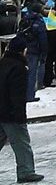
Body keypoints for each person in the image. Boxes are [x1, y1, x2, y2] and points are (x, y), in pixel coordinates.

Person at [0, 36, 44, 183]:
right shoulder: (19, 68)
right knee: (22, 144)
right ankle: (26, 171)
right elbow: (17, 94)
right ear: (22, 50)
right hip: (11, 113)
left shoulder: (3, 63)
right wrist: (20, 116)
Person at [20, 3, 47, 103]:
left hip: (24, 49)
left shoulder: (25, 19)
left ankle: (23, 93)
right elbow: (42, 38)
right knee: (32, 73)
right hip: (35, 50)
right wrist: (44, 52)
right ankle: (30, 95)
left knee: (25, 73)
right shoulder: (39, 21)